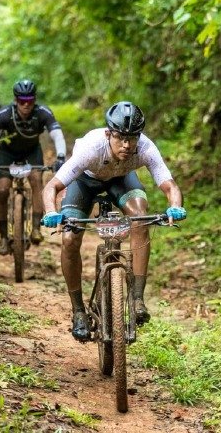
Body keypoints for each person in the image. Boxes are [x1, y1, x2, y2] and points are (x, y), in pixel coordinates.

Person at [40, 101, 186, 341]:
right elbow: (52, 186)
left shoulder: (146, 148)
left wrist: (175, 206)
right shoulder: (91, 148)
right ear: (109, 134)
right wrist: (50, 211)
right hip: (84, 183)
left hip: (121, 179)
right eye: (120, 138)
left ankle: (137, 298)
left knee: (140, 218)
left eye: (133, 138)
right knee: (69, 238)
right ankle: (78, 311)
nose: (127, 146)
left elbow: (170, 185)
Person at [0, 79, 67, 255]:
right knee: (2, 190)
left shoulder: (43, 112)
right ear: (15, 100)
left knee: (36, 180)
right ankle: (3, 237)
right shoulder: (4, 113)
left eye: (30, 100)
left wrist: (61, 156)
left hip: (32, 153)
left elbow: (57, 135)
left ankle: (35, 229)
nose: (26, 105)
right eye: (22, 101)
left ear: (35, 100)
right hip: (7, 153)